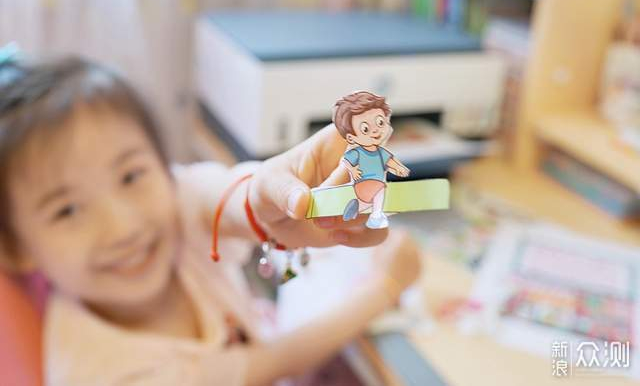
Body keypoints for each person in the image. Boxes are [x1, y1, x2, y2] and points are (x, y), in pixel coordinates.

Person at [0, 55, 422, 385]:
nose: (123, 226)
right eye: (67, 210)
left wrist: (264, 199)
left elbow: (219, 198)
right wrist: (386, 287)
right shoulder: (102, 373)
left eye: (130, 176)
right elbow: (274, 363)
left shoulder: (170, 208)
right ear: (16, 248)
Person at [332, 91, 410, 229]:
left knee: (370, 200)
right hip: (364, 184)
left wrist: (398, 168)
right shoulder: (357, 152)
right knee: (381, 190)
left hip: (368, 189)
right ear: (351, 138)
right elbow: (346, 161)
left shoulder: (380, 152)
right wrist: (352, 170)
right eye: (365, 129)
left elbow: (389, 161)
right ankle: (376, 216)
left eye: (380, 122)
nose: (375, 130)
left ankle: (357, 206)